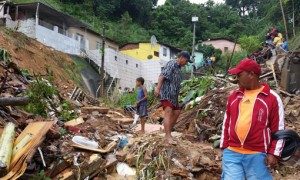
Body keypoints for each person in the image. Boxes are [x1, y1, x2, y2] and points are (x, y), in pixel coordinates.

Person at [221, 58, 285, 180]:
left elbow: (279, 129)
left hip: (257, 154)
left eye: (239, 75)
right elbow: (226, 123)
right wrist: (224, 147)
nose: (237, 78)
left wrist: (274, 153)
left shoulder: (271, 98)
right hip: (232, 153)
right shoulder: (234, 97)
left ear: (251, 75)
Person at [154, 51, 193, 144]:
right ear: (182, 58)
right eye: (186, 61)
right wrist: (158, 88)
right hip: (167, 93)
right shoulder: (171, 63)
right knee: (168, 112)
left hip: (174, 96)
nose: (186, 63)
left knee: (177, 112)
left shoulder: (179, 68)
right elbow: (162, 76)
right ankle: (168, 137)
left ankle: (168, 132)